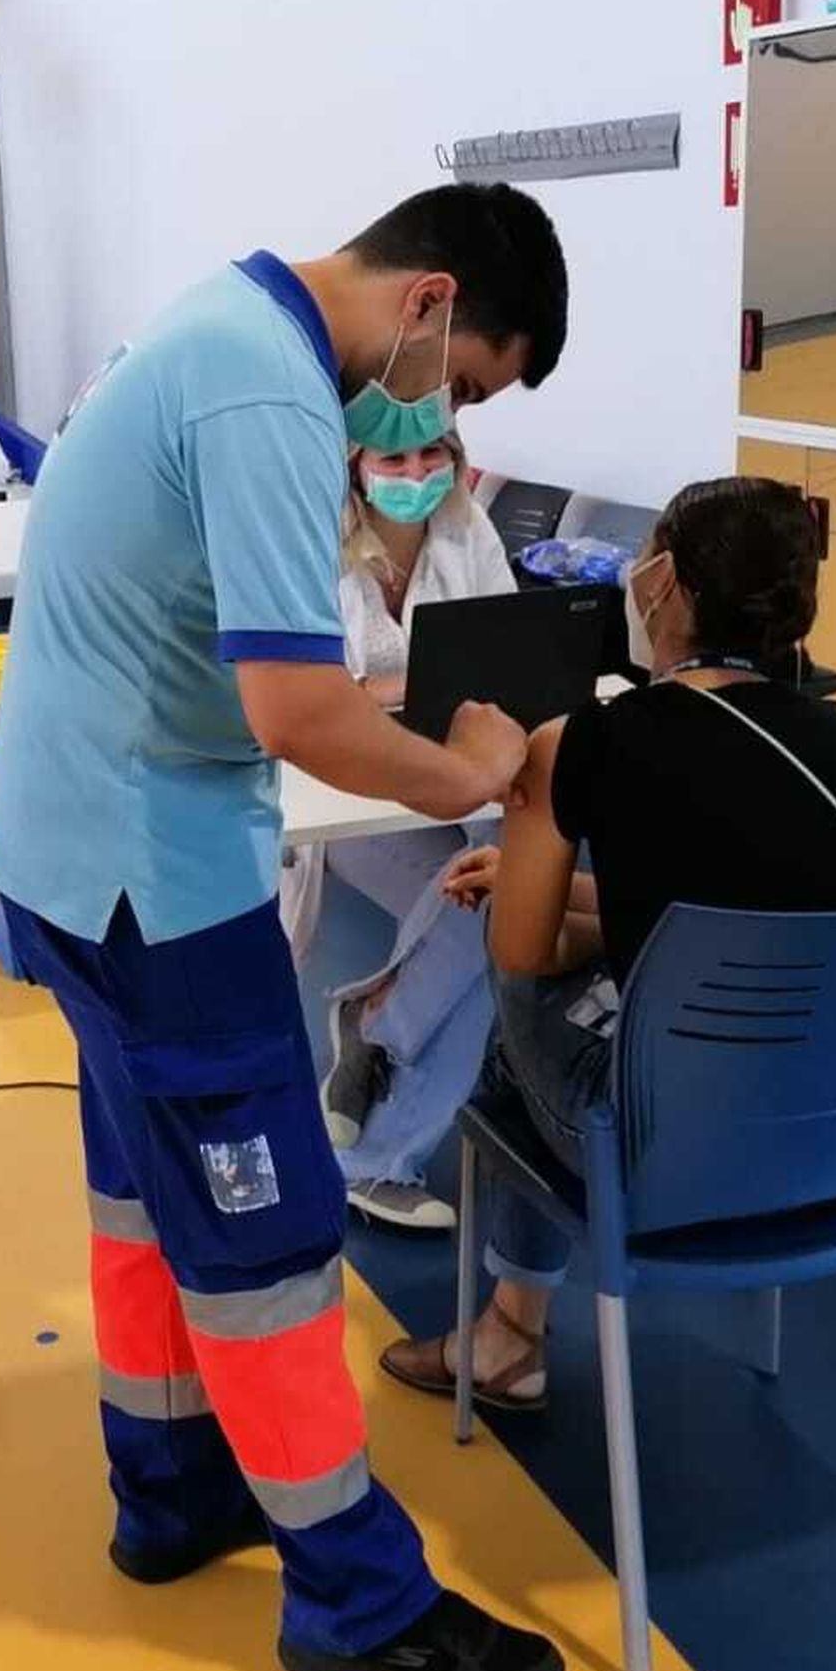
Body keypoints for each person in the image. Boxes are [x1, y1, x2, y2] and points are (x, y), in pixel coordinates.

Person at [0, 184, 571, 1671]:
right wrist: (473, 769)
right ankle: (358, 1600)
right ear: (431, 304)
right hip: (148, 882)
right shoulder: (262, 388)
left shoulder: (219, 325)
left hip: (69, 846)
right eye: (475, 384)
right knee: (269, 1241)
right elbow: (298, 714)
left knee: (143, 1193)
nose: (451, 423)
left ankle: (171, 1489)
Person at [380, 476, 836, 1411]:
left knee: (515, 1026)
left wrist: (551, 906)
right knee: (609, 970)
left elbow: (519, 957)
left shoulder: (581, 742)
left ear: (663, 582)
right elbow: (723, 905)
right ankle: (508, 1333)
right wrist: (582, 905)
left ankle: (508, 1336)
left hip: (666, 1142)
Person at [281, 427, 516, 1233]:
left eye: (431, 457)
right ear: (356, 463)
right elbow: (313, 695)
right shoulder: (311, 538)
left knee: (500, 901)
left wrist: (394, 690)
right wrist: (415, 685)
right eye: (394, 460)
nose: (417, 474)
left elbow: (508, 648)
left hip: (455, 786)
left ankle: (375, 1042)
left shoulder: (466, 526)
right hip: (350, 801)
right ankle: (376, 1125)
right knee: (497, 906)